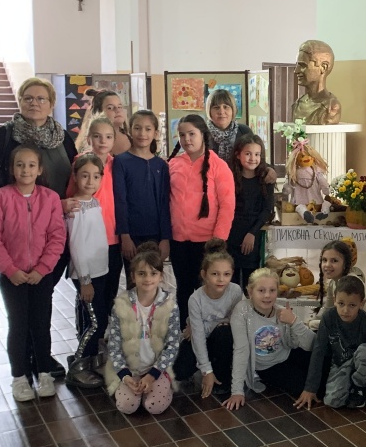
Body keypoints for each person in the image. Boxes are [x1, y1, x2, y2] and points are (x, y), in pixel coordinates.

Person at [0, 146, 67, 402]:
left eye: (31, 165)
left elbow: (57, 236)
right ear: (11, 168)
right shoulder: (0, 198)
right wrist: (10, 269)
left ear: (39, 169)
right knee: (18, 325)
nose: (25, 170)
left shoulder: (50, 198)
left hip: (42, 275)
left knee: (41, 324)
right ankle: (19, 377)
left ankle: (44, 373)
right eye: (20, 165)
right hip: (12, 276)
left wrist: (42, 268)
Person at [167, 114, 236, 323]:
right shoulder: (173, 164)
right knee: (183, 289)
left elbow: (227, 205)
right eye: (182, 135)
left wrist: (218, 240)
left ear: (203, 135)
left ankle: (206, 333)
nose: (187, 139)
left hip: (207, 243)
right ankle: (185, 331)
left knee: (206, 291)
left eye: (191, 134)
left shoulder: (218, 165)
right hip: (178, 241)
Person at [104, 243, 183, 415]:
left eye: (153, 273)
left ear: (161, 276)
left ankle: (162, 386)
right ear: (133, 276)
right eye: (142, 273)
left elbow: (172, 346)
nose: (148, 279)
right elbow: (114, 345)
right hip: (129, 369)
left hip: (156, 369)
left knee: (154, 406)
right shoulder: (121, 305)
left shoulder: (170, 306)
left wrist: (153, 374)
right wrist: (125, 375)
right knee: (127, 406)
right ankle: (132, 389)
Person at [296, 276, 366, 418]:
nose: (345, 310)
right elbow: (318, 351)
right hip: (340, 363)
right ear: (335, 300)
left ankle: (359, 388)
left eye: (352, 305)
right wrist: (310, 388)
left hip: (363, 362)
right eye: (341, 303)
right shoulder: (328, 317)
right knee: (332, 401)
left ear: (361, 304)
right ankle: (349, 384)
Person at [65, 116, 122, 343]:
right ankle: (85, 345)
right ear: (89, 138)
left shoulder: (116, 164)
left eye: (108, 137)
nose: (103, 141)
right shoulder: (80, 163)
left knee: (108, 295)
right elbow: (71, 197)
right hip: (86, 238)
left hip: (111, 239)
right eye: (97, 136)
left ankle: (100, 341)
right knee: (87, 299)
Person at [224, 269, 315, 410]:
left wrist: (294, 321)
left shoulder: (281, 311)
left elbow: (312, 345)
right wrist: (237, 391)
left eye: (272, 290)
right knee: (305, 386)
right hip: (268, 366)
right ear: (250, 292)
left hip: (288, 353)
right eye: (261, 290)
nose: (267, 295)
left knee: (323, 362)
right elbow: (241, 350)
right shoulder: (242, 311)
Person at [0, 77, 77, 197]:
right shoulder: (4, 134)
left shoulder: (62, 136)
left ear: (51, 104)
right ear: (20, 102)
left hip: (59, 206)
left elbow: (77, 175)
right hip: (12, 206)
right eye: (28, 98)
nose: (34, 103)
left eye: (41, 99)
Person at [63, 154, 111, 389]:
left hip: (99, 271)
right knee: (95, 323)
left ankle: (87, 359)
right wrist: (84, 280)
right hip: (87, 275)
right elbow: (77, 246)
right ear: (75, 177)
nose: (90, 181)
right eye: (85, 176)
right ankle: (78, 368)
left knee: (92, 319)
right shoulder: (75, 207)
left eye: (95, 176)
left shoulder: (94, 203)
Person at [178, 239, 243, 399]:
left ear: (232, 274)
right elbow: (198, 336)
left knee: (225, 332)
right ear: (204, 275)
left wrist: (208, 324)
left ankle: (222, 374)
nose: (221, 279)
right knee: (179, 371)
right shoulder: (195, 299)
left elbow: (239, 322)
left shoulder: (235, 292)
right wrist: (206, 370)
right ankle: (208, 366)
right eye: (215, 274)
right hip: (201, 338)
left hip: (222, 339)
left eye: (226, 274)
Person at [113, 110, 171, 281]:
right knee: (134, 281)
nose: (142, 133)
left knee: (153, 281)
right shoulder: (121, 161)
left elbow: (164, 203)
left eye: (148, 129)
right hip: (132, 234)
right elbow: (120, 200)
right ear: (130, 130)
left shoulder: (161, 165)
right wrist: (125, 235)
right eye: (137, 128)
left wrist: (165, 238)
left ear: (156, 133)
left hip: (156, 235)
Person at [228, 134, 275, 288]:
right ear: (238, 155)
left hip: (253, 235)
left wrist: (252, 233)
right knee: (232, 284)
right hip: (231, 236)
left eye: (257, 154)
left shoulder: (265, 178)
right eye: (248, 154)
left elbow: (267, 209)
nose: (253, 158)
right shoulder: (230, 177)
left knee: (251, 284)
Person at [318, 239, 366, 317]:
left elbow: (348, 318)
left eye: (334, 261)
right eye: (324, 260)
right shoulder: (332, 283)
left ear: (345, 264)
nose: (327, 265)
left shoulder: (352, 284)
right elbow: (327, 310)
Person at [292, 39, 342, 125]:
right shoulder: (298, 104)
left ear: (323, 67)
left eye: (303, 65)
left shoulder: (330, 108)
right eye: (297, 65)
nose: (296, 71)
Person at [74, 88, 130, 156]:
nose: (117, 110)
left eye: (119, 107)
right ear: (98, 113)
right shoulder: (91, 146)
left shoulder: (132, 136)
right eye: (110, 108)